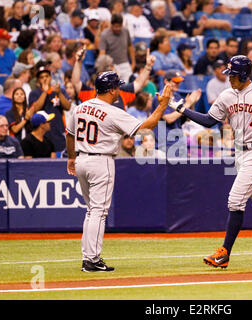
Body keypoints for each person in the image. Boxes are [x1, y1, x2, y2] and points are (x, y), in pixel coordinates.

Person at [167, 55, 252, 268]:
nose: (229, 78)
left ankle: (224, 253)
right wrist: (182, 109)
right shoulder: (226, 95)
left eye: (232, 74)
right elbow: (209, 120)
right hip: (240, 153)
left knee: (235, 200)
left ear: (243, 74)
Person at [65, 72, 173, 272]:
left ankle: (89, 257)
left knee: (91, 211)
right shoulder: (112, 112)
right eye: (118, 87)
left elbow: (69, 134)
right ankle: (91, 260)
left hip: (81, 159)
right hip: (100, 160)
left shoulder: (80, 107)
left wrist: (71, 158)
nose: (119, 90)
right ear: (113, 90)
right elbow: (144, 128)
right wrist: (162, 105)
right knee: (98, 211)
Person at [151, 70, 201, 153]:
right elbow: (169, 119)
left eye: (179, 82)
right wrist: (187, 105)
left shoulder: (177, 97)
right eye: (175, 82)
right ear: (166, 81)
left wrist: (192, 104)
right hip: (164, 142)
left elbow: (185, 120)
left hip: (179, 140)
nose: (178, 84)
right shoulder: (159, 97)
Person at [29, 65, 71, 152]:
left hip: (58, 131)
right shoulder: (34, 93)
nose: (44, 79)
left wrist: (59, 93)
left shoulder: (60, 91)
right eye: (41, 77)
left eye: (46, 76)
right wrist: (45, 92)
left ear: (50, 77)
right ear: (38, 80)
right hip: (43, 133)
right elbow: (36, 108)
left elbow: (68, 107)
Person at [99, 14, 135, 83]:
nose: (117, 28)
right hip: (112, 65)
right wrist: (102, 68)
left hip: (125, 64)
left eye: (119, 26)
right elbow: (102, 53)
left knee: (129, 87)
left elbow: (130, 46)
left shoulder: (125, 31)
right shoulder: (104, 34)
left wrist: (133, 63)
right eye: (115, 27)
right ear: (111, 25)